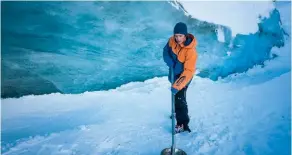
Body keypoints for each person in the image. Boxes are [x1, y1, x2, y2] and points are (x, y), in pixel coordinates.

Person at [163, 22, 198, 133]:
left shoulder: (191, 52)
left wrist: (177, 85)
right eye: (176, 35)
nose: (178, 38)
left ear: (185, 35)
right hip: (174, 73)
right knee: (176, 97)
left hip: (184, 78)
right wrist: (171, 63)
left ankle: (182, 123)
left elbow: (188, 71)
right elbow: (165, 52)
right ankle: (175, 112)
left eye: (180, 36)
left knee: (180, 99)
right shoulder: (171, 41)